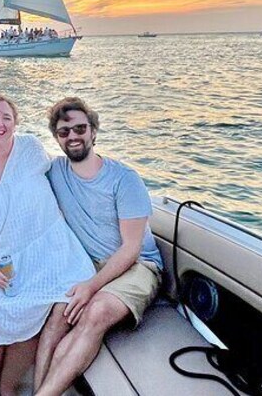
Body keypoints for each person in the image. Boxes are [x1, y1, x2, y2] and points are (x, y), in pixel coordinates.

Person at [0, 95, 95, 396]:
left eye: (7, 117)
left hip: (44, 250)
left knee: (33, 303)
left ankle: (7, 389)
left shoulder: (30, 149)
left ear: (16, 124)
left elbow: (72, 164)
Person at [34, 98, 164, 396]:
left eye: (80, 128)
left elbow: (131, 250)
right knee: (59, 315)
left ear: (93, 132)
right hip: (88, 264)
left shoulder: (124, 179)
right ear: (57, 138)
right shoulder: (56, 172)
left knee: (95, 313)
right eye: (64, 132)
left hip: (137, 266)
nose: (73, 136)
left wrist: (91, 287)